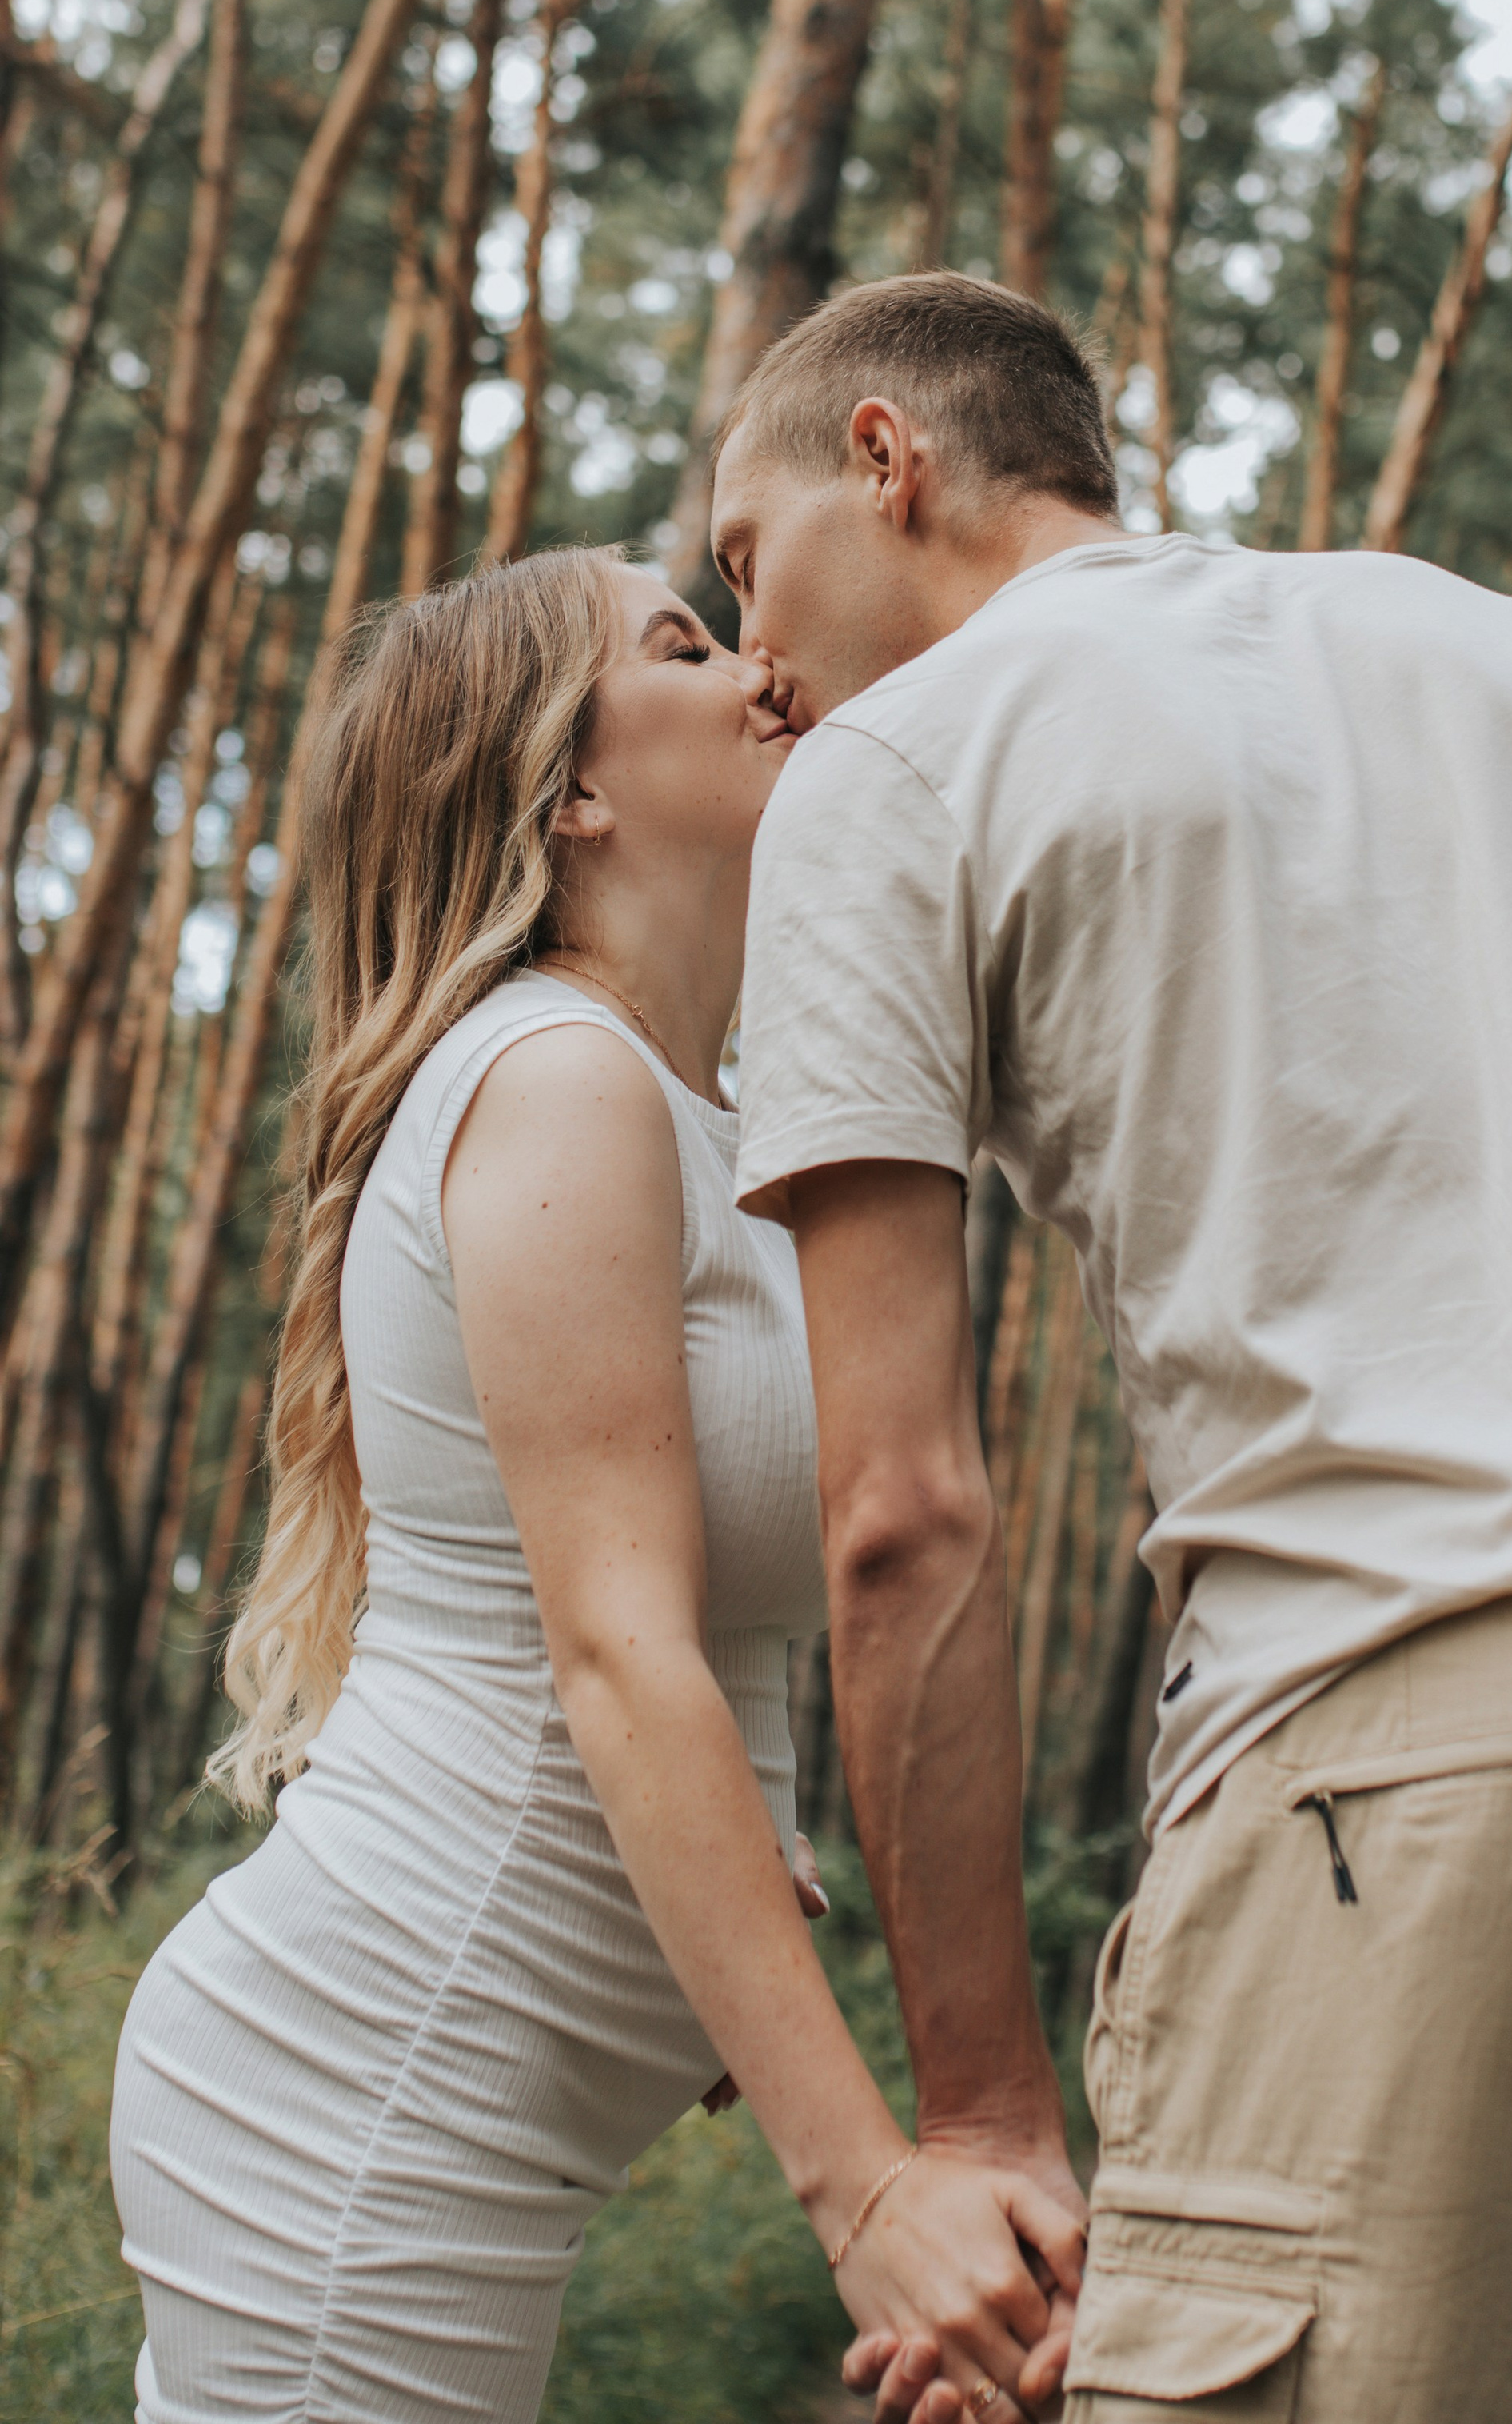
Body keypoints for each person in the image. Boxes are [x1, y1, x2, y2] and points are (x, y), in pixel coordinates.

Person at [711, 273, 1512, 2424]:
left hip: (1397, 1745)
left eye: (747, 572)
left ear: (883, 459)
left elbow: (905, 1511)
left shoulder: (895, 768)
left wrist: (991, 2122)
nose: (754, 664)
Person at [110, 548, 1081, 2424]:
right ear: (571, 788)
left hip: (442, 2100)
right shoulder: (558, 1082)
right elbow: (617, 1655)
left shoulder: (693, 1112)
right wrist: (867, 2190)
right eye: (685, 644)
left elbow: (723, 1615)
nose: (762, 667)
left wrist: (742, 1866)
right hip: (354, 2101)